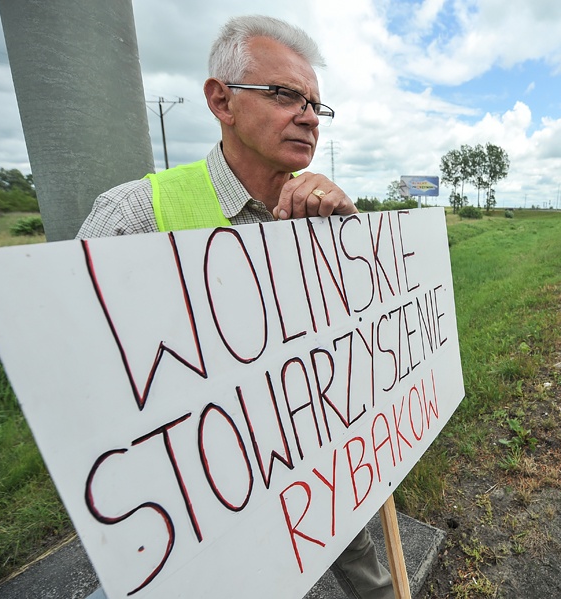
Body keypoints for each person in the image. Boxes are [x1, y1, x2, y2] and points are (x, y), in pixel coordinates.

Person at [77, 15, 394, 599]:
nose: (306, 115)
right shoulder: (134, 216)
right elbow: (78, 372)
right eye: (283, 94)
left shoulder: (320, 214)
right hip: (203, 485)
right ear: (221, 101)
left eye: (315, 105)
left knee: (361, 554)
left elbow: (360, 328)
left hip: (315, 445)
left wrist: (350, 235)